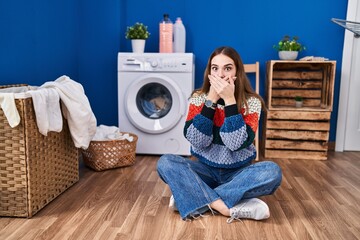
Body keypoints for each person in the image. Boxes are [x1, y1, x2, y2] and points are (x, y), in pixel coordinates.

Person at [157, 46, 282, 223]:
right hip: (205, 171)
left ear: (237, 71)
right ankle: (225, 206)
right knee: (166, 162)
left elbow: (235, 143)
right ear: (209, 72)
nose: (221, 75)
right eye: (215, 68)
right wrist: (211, 102)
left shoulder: (252, 103)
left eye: (228, 68)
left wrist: (230, 101)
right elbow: (197, 141)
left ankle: (194, 198)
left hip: (238, 173)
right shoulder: (198, 98)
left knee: (272, 172)